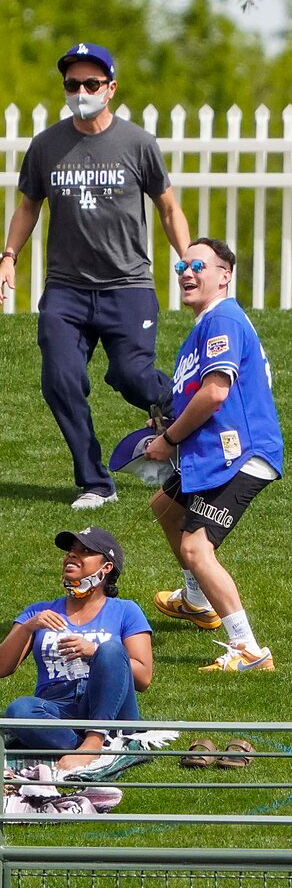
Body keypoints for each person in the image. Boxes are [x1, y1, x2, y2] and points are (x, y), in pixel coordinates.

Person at [0, 41, 190, 511]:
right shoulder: (46, 145)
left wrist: (188, 259)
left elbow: (168, 208)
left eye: (91, 84)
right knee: (59, 380)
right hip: (66, 289)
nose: (81, 91)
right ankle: (96, 481)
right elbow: (27, 206)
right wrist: (7, 257)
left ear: (111, 88)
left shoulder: (138, 143)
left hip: (128, 286)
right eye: (72, 84)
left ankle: (177, 408)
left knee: (132, 376)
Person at [143, 238, 283, 673]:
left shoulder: (222, 318)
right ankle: (196, 601)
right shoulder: (205, 326)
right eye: (182, 264)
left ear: (225, 274)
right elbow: (199, 396)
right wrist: (169, 425)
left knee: (196, 547)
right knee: (165, 506)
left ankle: (248, 649)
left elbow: (216, 393)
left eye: (198, 264)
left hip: (239, 455)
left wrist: (169, 441)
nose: (187, 271)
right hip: (216, 454)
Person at [0, 527, 152, 775]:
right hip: (57, 706)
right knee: (19, 710)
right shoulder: (38, 611)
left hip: (112, 706)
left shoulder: (126, 611)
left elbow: (143, 678)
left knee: (109, 650)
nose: (72, 556)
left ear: (106, 567)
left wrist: (93, 651)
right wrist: (29, 627)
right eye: (70, 551)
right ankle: (81, 744)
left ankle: (95, 741)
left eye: (84, 551)